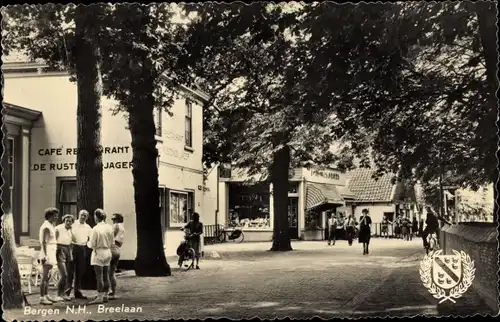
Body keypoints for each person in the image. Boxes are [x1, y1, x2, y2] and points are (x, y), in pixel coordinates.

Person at [88, 209, 114, 304]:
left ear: (96, 217)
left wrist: (87, 243)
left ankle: (99, 296)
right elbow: (112, 242)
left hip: (98, 252)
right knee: (106, 275)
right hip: (107, 251)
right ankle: (105, 295)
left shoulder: (95, 228)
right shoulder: (110, 227)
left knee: (99, 276)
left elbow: (92, 244)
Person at [67, 209, 93, 299]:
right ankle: (66, 292)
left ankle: (77, 292)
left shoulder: (88, 227)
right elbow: (68, 233)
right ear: (78, 215)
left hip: (82, 248)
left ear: (87, 217)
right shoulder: (73, 224)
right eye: (81, 215)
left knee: (80, 271)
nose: (83, 217)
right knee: (70, 270)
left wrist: (88, 245)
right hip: (73, 247)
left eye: (85, 216)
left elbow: (92, 237)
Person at [38, 207, 60, 305]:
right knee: (45, 276)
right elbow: (44, 242)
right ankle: (42, 297)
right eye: (55, 216)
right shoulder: (46, 226)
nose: (56, 217)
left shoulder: (51, 225)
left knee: (48, 276)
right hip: (47, 252)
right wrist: (45, 255)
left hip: (51, 251)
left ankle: (46, 295)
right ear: (50, 216)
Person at [55, 214, 74, 301]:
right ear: (64, 221)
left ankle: (63, 293)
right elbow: (53, 241)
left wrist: (70, 254)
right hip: (59, 250)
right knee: (64, 274)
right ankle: (59, 294)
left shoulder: (70, 230)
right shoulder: (58, 228)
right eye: (67, 221)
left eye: (70, 221)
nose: (68, 222)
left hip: (67, 250)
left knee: (68, 274)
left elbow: (70, 242)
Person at [109, 213, 125, 300]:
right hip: (118, 249)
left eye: (114, 219)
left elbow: (111, 237)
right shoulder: (122, 227)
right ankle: (113, 292)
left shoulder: (116, 226)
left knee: (106, 272)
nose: (113, 221)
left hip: (112, 248)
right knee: (111, 273)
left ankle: (106, 292)